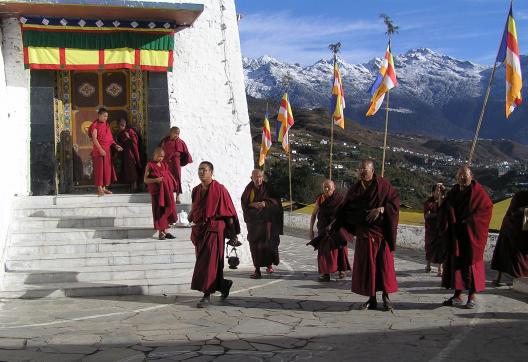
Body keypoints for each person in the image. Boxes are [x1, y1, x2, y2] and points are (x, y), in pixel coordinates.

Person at [333, 159, 400, 311]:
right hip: (364, 233)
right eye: (360, 169)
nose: (362, 172)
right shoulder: (355, 189)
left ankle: (386, 297)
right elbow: (345, 209)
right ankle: (372, 299)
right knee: (368, 267)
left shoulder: (383, 185)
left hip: (381, 233)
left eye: (365, 170)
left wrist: (382, 209)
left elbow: (395, 202)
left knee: (384, 266)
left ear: (372, 170)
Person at [187, 161, 239, 308]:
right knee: (207, 263)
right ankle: (223, 285)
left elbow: (228, 212)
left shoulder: (219, 189)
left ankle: (206, 295)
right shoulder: (196, 190)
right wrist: (189, 217)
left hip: (215, 230)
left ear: (211, 172)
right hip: (200, 230)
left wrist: (233, 233)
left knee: (209, 264)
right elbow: (195, 208)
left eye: (204, 170)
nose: (201, 172)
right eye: (199, 170)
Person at [439, 165, 492, 309]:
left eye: (465, 175)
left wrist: (468, 222)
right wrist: (443, 197)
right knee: (457, 265)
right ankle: (457, 295)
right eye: (460, 176)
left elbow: (486, 210)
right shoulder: (454, 191)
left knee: (471, 266)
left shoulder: (478, 193)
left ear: (471, 176)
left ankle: (472, 296)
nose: (462, 178)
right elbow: (446, 209)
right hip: (457, 235)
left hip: (471, 235)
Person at [241, 169, 283, 279]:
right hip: (254, 224)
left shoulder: (269, 188)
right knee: (255, 246)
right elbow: (244, 204)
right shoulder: (248, 190)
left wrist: (266, 203)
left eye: (260, 177)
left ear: (262, 177)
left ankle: (269, 265)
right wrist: (253, 204)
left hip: (267, 223)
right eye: (255, 177)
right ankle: (257, 270)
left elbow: (277, 202)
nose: (258, 179)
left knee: (268, 245)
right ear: (251, 178)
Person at [309, 179, 351, 282]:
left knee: (340, 249)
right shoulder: (320, 199)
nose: (327, 189)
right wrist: (311, 229)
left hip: (337, 228)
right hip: (323, 228)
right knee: (323, 250)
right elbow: (314, 214)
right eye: (325, 187)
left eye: (329, 187)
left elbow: (343, 214)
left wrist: (333, 224)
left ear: (334, 187)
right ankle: (325, 273)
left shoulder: (340, 199)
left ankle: (342, 270)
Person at [491, 190, 528, 284]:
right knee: (506, 253)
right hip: (512, 227)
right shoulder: (520, 195)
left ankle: (507, 278)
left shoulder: (520, 195)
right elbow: (513, 212)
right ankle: (509, 278)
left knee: (513, 255)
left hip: (519, 229)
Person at [144, 148, 177, 240]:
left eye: (162, 157)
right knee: (159, 212)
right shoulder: (150, 165)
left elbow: (168, 176)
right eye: (159, 156)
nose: (160, 158)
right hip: (157, 193)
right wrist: (156, 180)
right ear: (154, 155)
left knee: (166, 210)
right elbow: (145, 180)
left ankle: (165, 231)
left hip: (166, 192)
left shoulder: (164, 165)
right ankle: (160, 233)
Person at [90, 108, 122, 195]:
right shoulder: (95, 125)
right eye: (104, 116)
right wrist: (100, 149)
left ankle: (104, 188)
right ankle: (99, 188)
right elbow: (94, 139)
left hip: (107, 151)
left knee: (106, 170)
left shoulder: (106, 125)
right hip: (99, 151)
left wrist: (116, 145)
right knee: (99, 170)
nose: (105, 118)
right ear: (99, 115)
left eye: (107, 116)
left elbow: (110, 139)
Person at [160, 127, 193, 204]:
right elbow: (160, 151)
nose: (177, 135)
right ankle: (168, 197)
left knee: (177, 178)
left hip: (176, 163)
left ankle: (177, 196)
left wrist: (181, 163)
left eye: (178, 133)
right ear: (171, 132)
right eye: (175, 133)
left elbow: (186, 154)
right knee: (166, 179)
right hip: (166, 163)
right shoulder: (165, 141)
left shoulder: (181, 142)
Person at [424, 183, 446, 276]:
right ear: (432, 192)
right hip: (431, 230)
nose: (438, 192)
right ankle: (428, 265)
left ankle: (440, 269)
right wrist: (438, 215)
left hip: (441, 230)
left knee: (441, 250)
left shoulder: (443, 202)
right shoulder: (429, 202)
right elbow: (427, 215)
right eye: (437, 190)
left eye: (440, 190)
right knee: (430, 249)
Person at [117, 117, 142, 192]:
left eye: (123, 124)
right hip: (125, 153)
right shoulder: (120, 133)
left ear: (126, 124)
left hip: (131, 153)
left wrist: (128, 138)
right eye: (120, 125)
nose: (121, 126)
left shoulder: (130, 131)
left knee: (132, 169)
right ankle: (131, 186)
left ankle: (135, 186)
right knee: (128, 170)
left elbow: (135, 142)